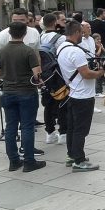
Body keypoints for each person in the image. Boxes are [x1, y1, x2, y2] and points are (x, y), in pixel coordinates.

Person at [0, 21, 45, 173]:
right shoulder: (28, 51)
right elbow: (37, 75)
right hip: (27, 92)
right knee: (27, 126)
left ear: (9, 32)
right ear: (24, 33)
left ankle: (14, 161)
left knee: (10, 127)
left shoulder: (1, 52)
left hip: (8, 93)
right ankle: (29, 161)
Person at [57, 20, 105, 171]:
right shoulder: (75, 51)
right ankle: (79, 160)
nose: (82, 35)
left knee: (72, 127)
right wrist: (101, 73)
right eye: (81, 33)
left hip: (72, 93)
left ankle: (71, 155)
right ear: (77, 32)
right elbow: (86, 74)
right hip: (83, 96)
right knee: (80, 130)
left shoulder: (61, 47)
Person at [39, 12, 68, 144]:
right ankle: (63, 133)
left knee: (48, 104)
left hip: (44, 75)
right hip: (57, 74)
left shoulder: (38, 37)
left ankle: (49, 133)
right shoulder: (60, 38)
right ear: (55, 22)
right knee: (62, 102)